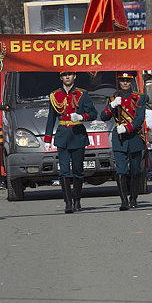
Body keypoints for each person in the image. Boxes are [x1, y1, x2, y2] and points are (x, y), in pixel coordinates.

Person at [43, 71, 97, 213]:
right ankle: (68, 202)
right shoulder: (55, 96)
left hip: (77, 135)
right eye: (64, 75)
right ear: (61, 77)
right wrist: (47, 138)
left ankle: (77, 199)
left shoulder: (82, 94)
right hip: (62, 136)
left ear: (75, 76)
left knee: (78, 171)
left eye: (70, 74)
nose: (67, 77)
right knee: (64, 172)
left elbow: (93, 113)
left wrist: (81, 116)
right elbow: (51, 118)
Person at [101, 72, 147, 210]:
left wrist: (127, 128)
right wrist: (112, 106)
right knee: (121, 170)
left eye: (128, 80)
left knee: (136, 170)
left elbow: (139, 118)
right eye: (122, 80)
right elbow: (103, 116)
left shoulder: (139, 97)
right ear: (119, 82)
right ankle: (124, 200)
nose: (125, 83)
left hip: (134, 136)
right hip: (119, 139)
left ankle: (134, 198)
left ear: (132, 81)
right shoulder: (113, 98)